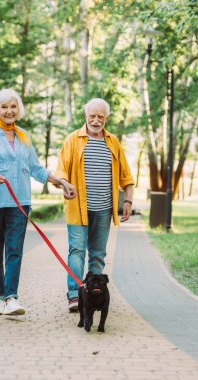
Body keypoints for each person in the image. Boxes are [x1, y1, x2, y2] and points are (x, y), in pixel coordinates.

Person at [0, 88, 76, 316]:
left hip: (19, 203)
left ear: (18, 109)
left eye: (13, 106)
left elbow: (36, 169)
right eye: (4, 107)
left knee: (14, 251)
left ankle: (11, 297)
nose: (9, 111)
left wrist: (60, 181)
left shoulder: (23, 136)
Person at [55, 98, 134, 311]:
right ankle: (74, 294)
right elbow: (61, 169)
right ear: (85, 116)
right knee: (77, 250)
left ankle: (96, 295)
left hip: (104, 208)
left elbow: (126, 176)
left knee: (98, 253)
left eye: (100, 117)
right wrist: (63, 182)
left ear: (106, 118)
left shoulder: (113, 142)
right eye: (92, 116)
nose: (96, 120)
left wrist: (127, 201)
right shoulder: (73, 140)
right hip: (77, 207)